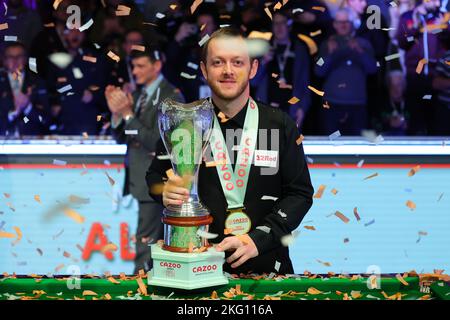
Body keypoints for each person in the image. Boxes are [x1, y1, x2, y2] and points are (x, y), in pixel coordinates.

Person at [146, 27, 314, 274]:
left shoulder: (279, 125)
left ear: (253, 69)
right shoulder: (185, 122)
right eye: (217, 62)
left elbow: (299, 194)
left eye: (237, 62)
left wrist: (258, 239)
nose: (228, 71)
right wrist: (164, 191)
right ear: (204, 70)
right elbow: (154, 177)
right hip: (195, 270)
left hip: (266, 272)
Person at [105, 46, 184, 273]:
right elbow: (123, 137)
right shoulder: (138, 95)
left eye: (140, 66)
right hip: (142, 181)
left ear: (156, 65)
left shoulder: (172, 96)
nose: (135, 71)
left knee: (146, 244)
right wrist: (117, 114)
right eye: (133, 66)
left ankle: (140, 290)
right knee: (148, 243)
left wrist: (128, 114)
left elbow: (159, 144)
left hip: (159, 182)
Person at [315, 8, 377, 135]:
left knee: (357, 148)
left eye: (346, 22)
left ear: (352, 24)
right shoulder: (327, 44)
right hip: (332, 105)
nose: (343, 25)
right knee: (332, 147)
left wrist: (360, 51)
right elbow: (318, 70)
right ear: (334, 24)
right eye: (340, 22)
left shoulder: (364, 44)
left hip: (357, 105)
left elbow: (373, 69)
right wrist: (328, 55)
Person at [396, 0, 449, 135]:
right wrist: (415, 26)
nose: (438, 4)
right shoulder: (408, 17)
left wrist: (442, 29)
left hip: (436, 76)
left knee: (437, 123)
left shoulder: (443, 16)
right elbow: (403, 42)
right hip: (415, 76)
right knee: (415, 122)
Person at [251, 10, 311, 129]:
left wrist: (302, 108)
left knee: (289, 146)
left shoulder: (300, 49)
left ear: (289, 25)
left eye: (282, 23)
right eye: (275, 23)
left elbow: (305, 83)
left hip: (291, 111)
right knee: (265, 146)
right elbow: (253, 81)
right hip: (266, 111)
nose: (279, 27)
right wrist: (263, 62)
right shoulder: (263, 48)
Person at [0, 41, 50, 136]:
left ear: (25, 59)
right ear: (4, 60)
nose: (15, 60)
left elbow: (47, 120)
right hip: (3, 142)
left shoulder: (38, 83)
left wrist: (28, 107)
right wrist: (13, 114)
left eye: (19, 56)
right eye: (10, 57)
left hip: (32, 142)